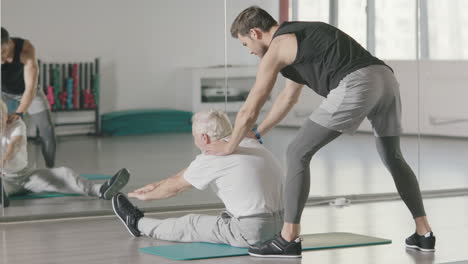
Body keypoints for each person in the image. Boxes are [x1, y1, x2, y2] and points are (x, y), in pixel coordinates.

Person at [204, 6, 435, 257]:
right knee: (393, 156)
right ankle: (423, 233)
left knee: (296, 153)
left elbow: (250, 107)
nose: (248, 50)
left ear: (255, 32)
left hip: (357, 82)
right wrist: (258, 133)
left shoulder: (278, 47)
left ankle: (288, 238)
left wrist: (229, 146)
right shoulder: (301, 36)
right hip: (384, 78)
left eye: (245, 43)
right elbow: (287, 98)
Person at [112, 109, 284, 248]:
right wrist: (157, 184)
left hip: (254, 232)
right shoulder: (249, 143)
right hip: (283, 227)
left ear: (204, 138)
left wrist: (145, 196)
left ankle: (136, 223)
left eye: (194, 136)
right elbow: (191, 171)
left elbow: (176, 188)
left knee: (190, 224)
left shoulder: (212, 159)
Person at [0, 99, 129, 208]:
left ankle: (100, 190)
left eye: (2, 116)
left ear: (6, 116)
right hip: (5, 181)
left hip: (26, 177)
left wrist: (4, 159)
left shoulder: (16, 124)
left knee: (64, 173)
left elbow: (15, 144)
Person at [1, 27, 56, 168]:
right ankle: (6, 168)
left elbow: (30, 88)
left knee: (47, 130)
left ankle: (50, 169)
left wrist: (19, 112)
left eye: (2, 52)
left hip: (29, 92)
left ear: (9, 43)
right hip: (4, 94)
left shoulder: (25, 49)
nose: (0, 59)